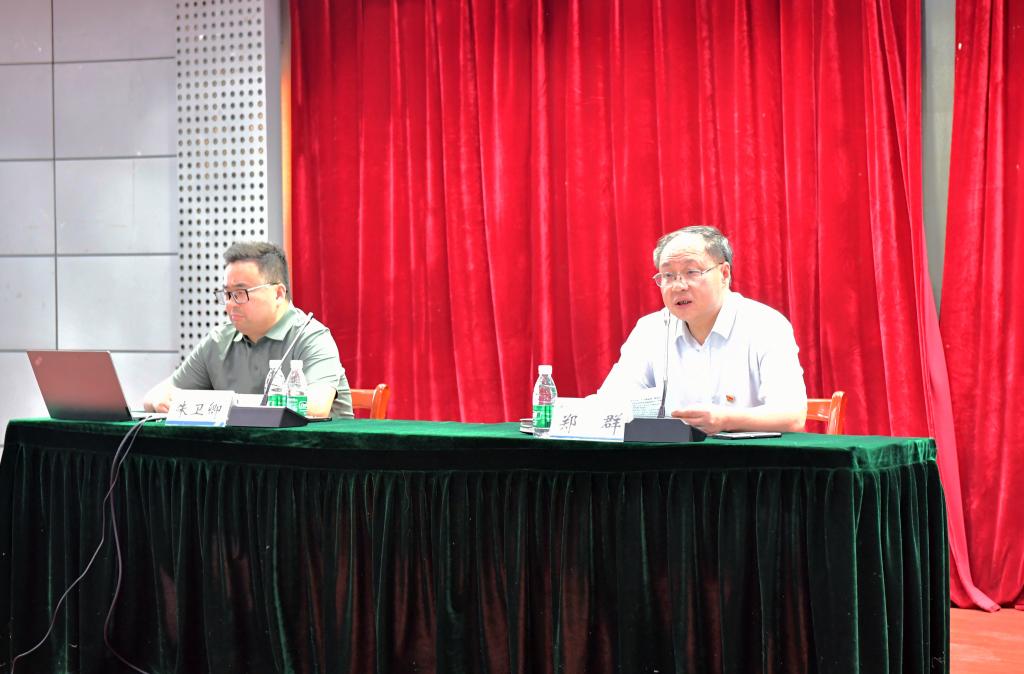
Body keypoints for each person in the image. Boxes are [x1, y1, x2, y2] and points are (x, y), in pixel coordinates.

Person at [598, 226, 806, 434]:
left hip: (747, 453)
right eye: (668, 275)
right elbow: (610, 403)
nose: (678, 286)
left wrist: (725, 420)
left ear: (724, 274)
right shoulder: (651, 330)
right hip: (672, 452)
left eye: (692, 272)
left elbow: (792, 416)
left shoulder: (765, 325)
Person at [143, 241, 354, 418]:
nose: (230, 304)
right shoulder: (219, 341)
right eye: (227, 294)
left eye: (240, 293)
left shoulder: (311, 337)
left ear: (278, 294)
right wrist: (160, 400)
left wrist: (228, 404)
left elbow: (316, 407)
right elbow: (155, 396)